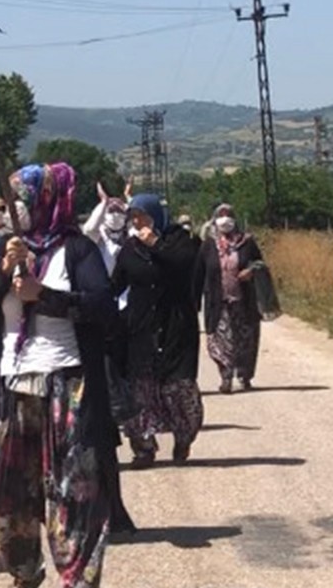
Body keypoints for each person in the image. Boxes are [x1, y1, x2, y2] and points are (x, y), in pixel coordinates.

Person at [0, 162, 133, 588]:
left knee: (77, 487)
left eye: (25, 196)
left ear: (48, 199)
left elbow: (103, 308)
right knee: (11, 488)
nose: (17, 205)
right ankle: (24, 571)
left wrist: (46, 295)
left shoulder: (77, 249)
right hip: (15, 383)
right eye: (15, 196)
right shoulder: (7, 248)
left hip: (69, 381)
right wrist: (3, 274)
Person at [112, 195, 202, 466]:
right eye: (133, 217)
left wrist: (156, 244)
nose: (137, 222)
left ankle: (183, 437)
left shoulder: (180, 241)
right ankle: (143, 448)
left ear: (156, 216)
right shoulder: (130, 249)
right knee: (140, 390)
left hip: (176, 327)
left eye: (142, 216)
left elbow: (185, 264)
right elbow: (116, 284)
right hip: (140, 328)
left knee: (180, 390)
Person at [198, 203, 265, 394]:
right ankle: (226, 376)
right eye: (221, 216)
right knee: (219, 341)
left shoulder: (247, 242)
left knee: (245, 340)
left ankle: (244, 375)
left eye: (229, 216)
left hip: (243, 301)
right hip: (218, 303)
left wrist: (251, 270)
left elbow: (260, 263)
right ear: (214, 220)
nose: (225, 220)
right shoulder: (208, 245)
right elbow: (199, 273)